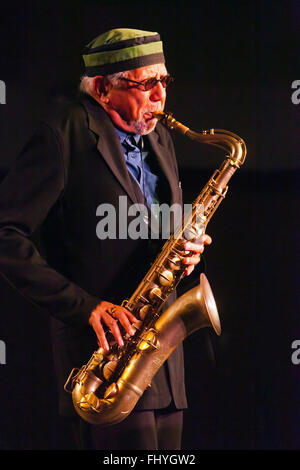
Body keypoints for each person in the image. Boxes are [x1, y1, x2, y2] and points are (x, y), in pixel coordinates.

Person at [0, 28, 212, 450]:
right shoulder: (63, 133)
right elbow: (6, 234)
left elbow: (155, 225)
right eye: (145, 82)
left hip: (163, 363)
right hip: (104, 362)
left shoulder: (159, 136)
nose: (160, 95)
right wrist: (85, 307)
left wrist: (186, 243)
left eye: (164, 81)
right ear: (102, 88)